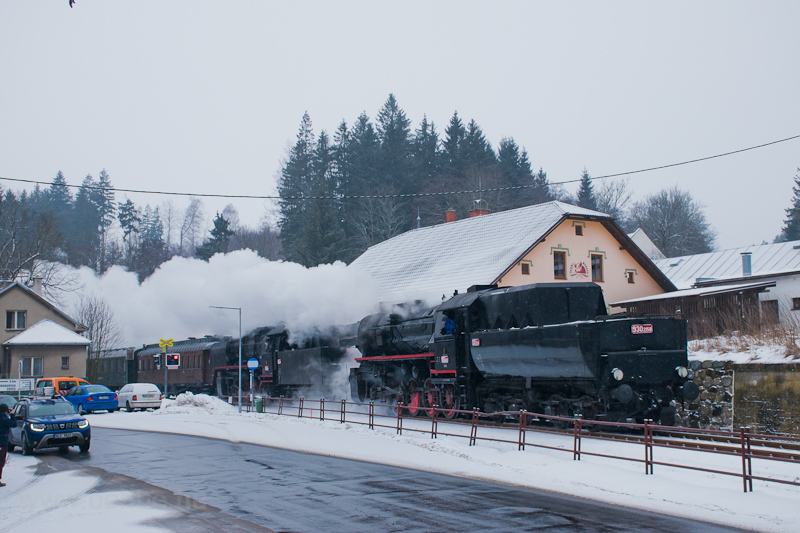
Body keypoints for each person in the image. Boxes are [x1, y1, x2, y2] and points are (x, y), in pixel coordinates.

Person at [0, 403, 16, 487]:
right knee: (1, 461)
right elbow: (14, 424)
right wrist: (12, 415)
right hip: (2, 442)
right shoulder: (3, 418)